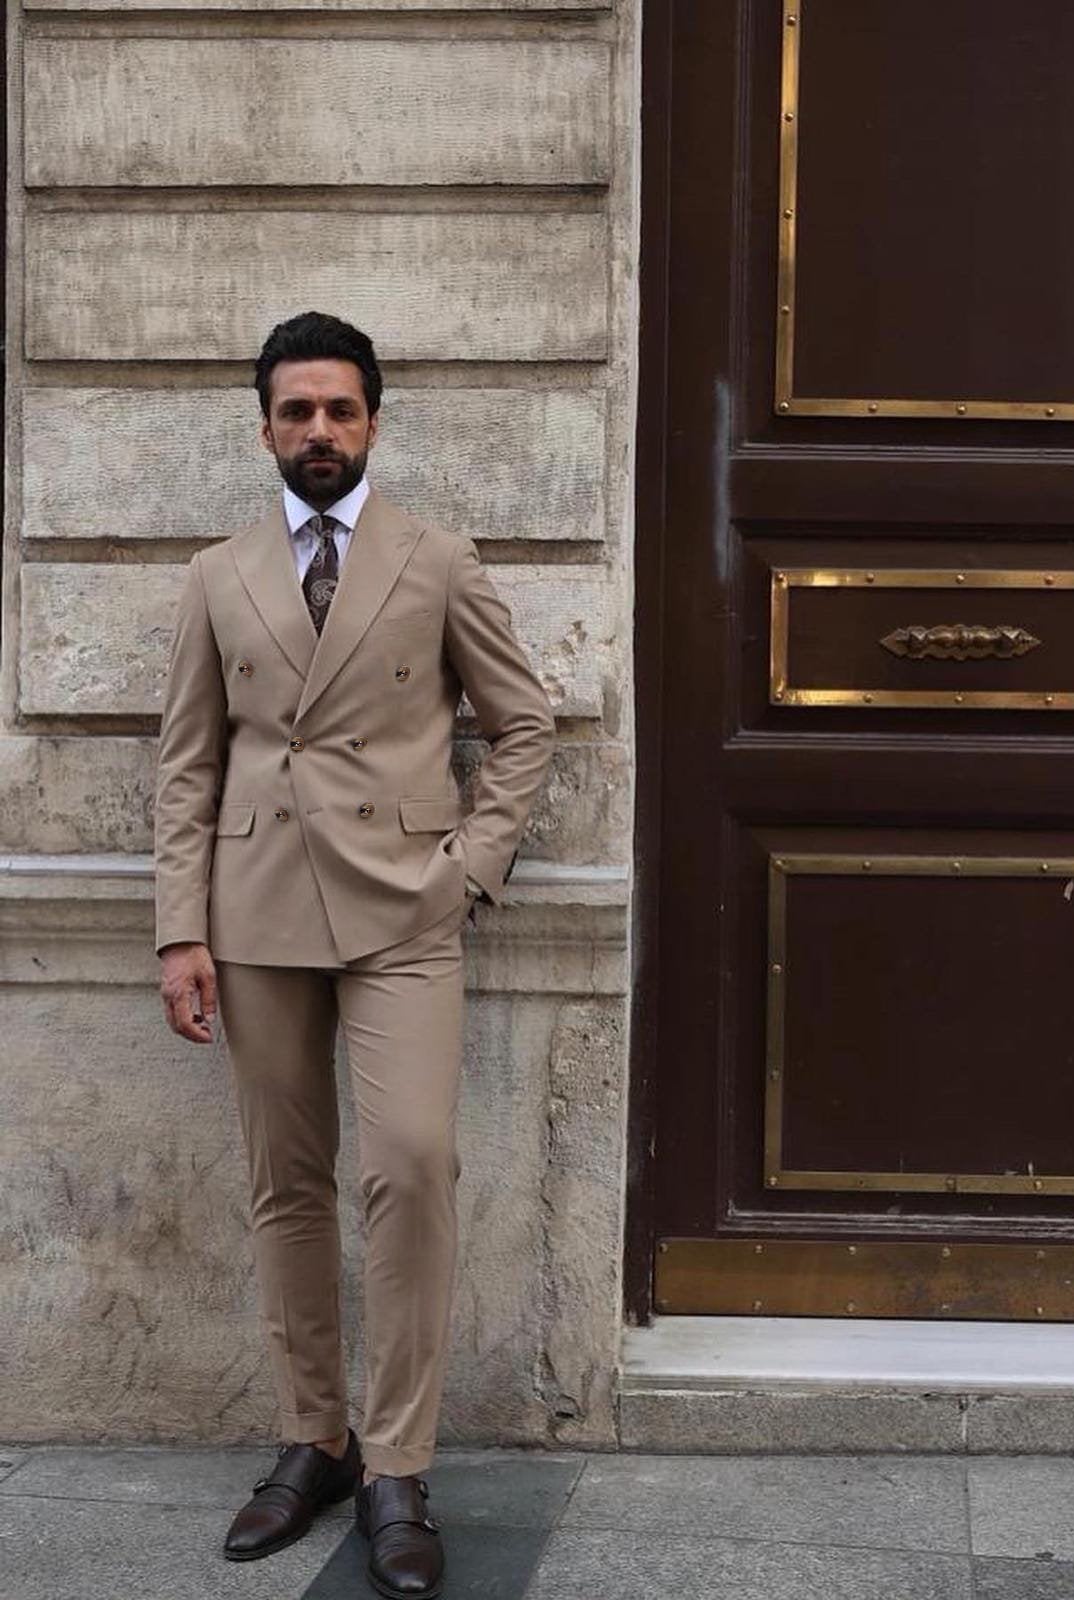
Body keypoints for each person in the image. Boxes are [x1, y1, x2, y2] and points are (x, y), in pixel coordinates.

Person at [153, 310, 555, 1599]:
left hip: (404, 912)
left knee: (413, 1166)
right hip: (256, 910)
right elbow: (187, 766)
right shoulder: (218, 574)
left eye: (339, 409)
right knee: (286, 1182)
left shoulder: (437, 560)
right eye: (296, 411)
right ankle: (314, 1439)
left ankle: (399, 1465)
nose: (318, 430)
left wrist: (469, 869)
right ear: (264, 429)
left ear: (374, 420)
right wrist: (180, 929)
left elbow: (524, 724)